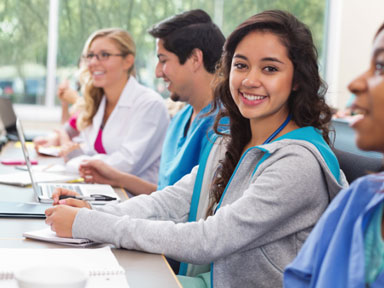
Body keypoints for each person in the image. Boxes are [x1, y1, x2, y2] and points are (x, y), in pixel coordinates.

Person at [45, 10, 346, 287]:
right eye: (240, 65)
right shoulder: (232, 141)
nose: (250, 80)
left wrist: (90, 224)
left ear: (297, 80)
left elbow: (208, 240)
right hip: (208, 279)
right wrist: (95, 211)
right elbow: (171, 202)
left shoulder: (297, 162)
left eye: (270, 69)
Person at [78, 10, 226, 196]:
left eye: (163, 60)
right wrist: (115, 178)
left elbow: (190, 212)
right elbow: (166, 195)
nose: (157, 72)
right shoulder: (181, 119)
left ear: (195, 59)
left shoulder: (223, 129)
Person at [284, 22, 384, 288]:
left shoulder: (299, 158)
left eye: (381, 67)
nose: (355, 83)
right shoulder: (360, 197)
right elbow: (300, 279)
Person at [34, 28, 169, 184]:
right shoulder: (99, 101)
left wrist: (78, 157)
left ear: (128, 61)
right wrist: (78, 153)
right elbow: (91, 151)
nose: (92, 63)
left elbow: (125, 165)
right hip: (102, 190)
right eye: (90, 56)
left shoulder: (149, 105)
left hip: (132, 198)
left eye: (104, 55)